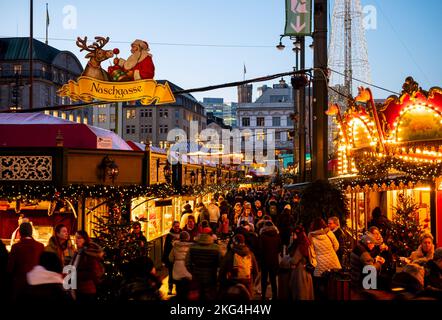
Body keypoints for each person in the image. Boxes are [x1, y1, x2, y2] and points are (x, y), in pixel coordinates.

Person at [7, 222, 44, 301]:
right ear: (31, 232)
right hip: (36, 286)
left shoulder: (16, 247)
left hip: (20, 287)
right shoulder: (40, 246)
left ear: (20, 233)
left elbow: (10, 268)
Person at [308, 217, 341, 300]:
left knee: (319, 286)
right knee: (332, 286)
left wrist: (315, 260)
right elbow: (337, 245)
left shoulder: (311, 236)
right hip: (333, 262)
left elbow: (311, 252)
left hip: (320, 264)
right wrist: (330, 252)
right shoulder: (329, 232)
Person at [70, 230, 104, 302]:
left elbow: (92, 272)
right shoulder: (78, 253)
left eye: (79, 238)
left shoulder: (89, 253)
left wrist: (75, 275)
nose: (76, 240)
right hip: (78, 288)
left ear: (85, 239)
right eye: (75, 238)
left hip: (87, 289)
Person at [185, 233, 222, 301]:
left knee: (198, 295)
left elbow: (187, 262)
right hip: (211, 275)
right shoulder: (216, 248)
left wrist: (192, 271)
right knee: (210, 295)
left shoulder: (192, 247)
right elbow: (220, 262)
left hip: (197, 275)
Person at [288, 226, 314, 300]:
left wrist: (289, 261)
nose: (293, 236)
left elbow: (294, 260)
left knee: (301, 292)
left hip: (300, 272)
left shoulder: (300, 246)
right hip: (306, 272)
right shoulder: (307, 243)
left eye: (294, 234)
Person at [258, 221, 281, 300]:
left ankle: (263, 295)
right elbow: (279, 249)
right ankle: (274, 295)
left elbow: (260, 249)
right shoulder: (277, 235)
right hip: (274, 260)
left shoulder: (262, 236)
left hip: (264, 260)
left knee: (264, 278)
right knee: (273, 279)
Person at [169, 231, 193, 301]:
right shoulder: (191, 247)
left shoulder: (175, 247)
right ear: (188, 238)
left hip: (177, 271)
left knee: (178, 289)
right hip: (188, 271)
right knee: (188, 290)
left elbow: (170, 259)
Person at [162, 220, 181, 295]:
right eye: (176, 226)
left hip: (179, 258)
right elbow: (166, 248)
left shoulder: (181, 233)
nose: (177, 228)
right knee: (170, 274)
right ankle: (170, 288)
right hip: (171, 258)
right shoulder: (169, 236)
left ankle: (177, 289)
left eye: (178, 226)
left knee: (178, 274)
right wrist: (165, 259)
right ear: (173, 226)